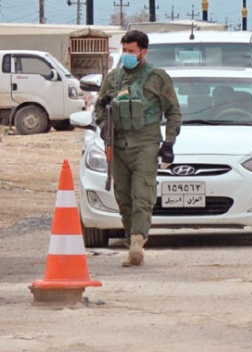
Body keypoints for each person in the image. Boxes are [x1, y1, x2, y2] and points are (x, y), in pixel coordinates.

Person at [95, 30, 182, 267]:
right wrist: (105, 127)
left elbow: (173, 112)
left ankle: (137, 242)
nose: (126, 55)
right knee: (123, 197)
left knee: (142, 194)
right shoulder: (113, 78)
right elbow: (99, 108)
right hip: (118, 145)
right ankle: (130, 238)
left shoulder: (157, 78)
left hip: (145, 144)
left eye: (131, 51)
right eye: (124, 51)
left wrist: (169, 143)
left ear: (143, 52)